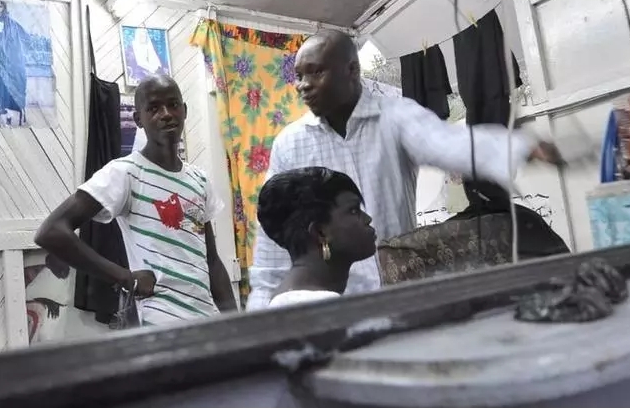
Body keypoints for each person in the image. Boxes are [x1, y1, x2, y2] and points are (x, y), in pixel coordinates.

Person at [247, 29, 562, 310]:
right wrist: (260, 314)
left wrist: (521, 147)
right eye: (299, 77)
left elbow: (447, 144)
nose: (303, 86)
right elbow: (276, 239)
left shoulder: (394, 117)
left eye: (315, 73)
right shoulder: (290, 145)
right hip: (332, 305)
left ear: (352, 71)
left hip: (400, 292)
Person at [35, 74, 237, 326]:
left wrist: (234, 322)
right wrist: (123, 276)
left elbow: (212, 260)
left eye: (173, 104)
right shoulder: (125, 173)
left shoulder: (199, 179)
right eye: (153, 108)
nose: (165, 114)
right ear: (138, 119)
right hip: (158, 323)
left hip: (205, 321)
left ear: (184, 111)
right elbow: (51, 232)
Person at [256, 167, 375, 308]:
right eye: (354, 210)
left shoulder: (291, 298)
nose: (368, 219)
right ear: (320, 232)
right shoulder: (321, 307)